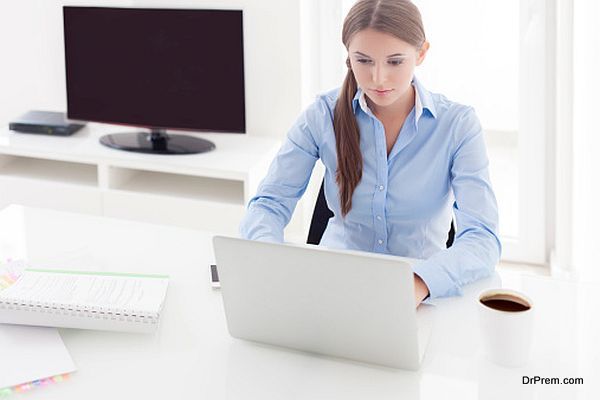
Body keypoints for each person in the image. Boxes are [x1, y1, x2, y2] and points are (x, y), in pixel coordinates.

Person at [240, 0, 501, 306]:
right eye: (363, 61)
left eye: (394, 62)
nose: (378, 79)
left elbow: (483, 238)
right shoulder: (322, 115)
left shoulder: (457, 125)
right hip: (331, 290)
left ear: (421, 53)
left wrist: (419, 284)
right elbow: (269, 204)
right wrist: (269, 259)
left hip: (419, 298)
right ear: (348, 57)